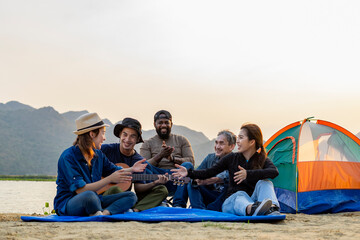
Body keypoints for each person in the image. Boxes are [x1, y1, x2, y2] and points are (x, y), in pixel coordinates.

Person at [171, 123, 280, 216]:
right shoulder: (232, 158)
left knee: (265, 183)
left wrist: (247, 174)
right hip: (232, 202)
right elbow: (209, 172)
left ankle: (272, 208)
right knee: (239, 194)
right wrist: (189, 173)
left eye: (241, 138)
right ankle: (252, 209)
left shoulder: (262, 159)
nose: (238, 141)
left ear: (252, 142)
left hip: (252, 198)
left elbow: (274, 172)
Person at [54, 112, 147, 216]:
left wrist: (132, 169)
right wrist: (109, 179)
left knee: (131, 196)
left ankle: (104, 214)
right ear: (92, 134)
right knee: (89, 196)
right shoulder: (68, 157)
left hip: (95, 199)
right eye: (102, 133)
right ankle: (99, 210)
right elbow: (80, 190)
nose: (104, 138)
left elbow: (114, 170)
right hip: (70, 203)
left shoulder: (98, 154)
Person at [101, 117, 169, 212]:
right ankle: (128, 208)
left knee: (162, 190)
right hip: (104, 193)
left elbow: (138, 188)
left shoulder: (139, 161)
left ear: (137, 139)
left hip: (125, 196)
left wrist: (155, 183)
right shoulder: (105, 150)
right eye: (125, 134)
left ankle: (135, 210)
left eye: (132, 136)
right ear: (120, 135)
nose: (127, 139)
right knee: (115, 189)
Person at [140, 110, 195, 208]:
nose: (163, 125)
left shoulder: (181, 140)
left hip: (178, 179)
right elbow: (142, 165)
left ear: (171, 124)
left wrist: (172, 158)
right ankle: (162, 202)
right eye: (160, 123)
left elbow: (191, 161)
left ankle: (178, 205)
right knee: (144, 167)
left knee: (187, 166)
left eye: (166, 122)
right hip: (157, 178)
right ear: (154, 124)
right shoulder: (147, 143)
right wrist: (160, 156)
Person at [187, 130, 236, 212]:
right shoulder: (210, 158)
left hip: (225, 198)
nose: (217, 146)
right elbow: (198, 174)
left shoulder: (236, 160)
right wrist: (195, 178)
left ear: (231, 147)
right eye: (216, 143)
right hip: (211, 194)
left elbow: (229, 178)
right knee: (192, 182)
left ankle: (211, 209)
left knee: (229, 185)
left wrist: (209, 181)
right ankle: (199, 210)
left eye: (221, 143)